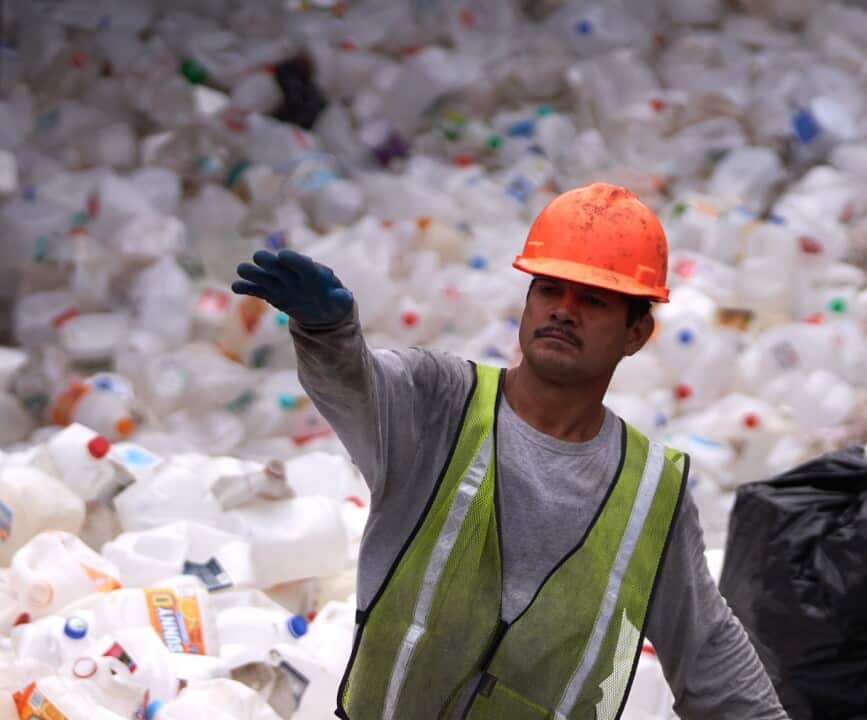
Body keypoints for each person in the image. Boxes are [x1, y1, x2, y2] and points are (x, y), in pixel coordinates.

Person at [232, 183, 789, 720]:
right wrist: (328, 332)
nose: (563, 311)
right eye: (549, 290)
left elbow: (709, 656)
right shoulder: (438, 403)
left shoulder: (651, 493)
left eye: (592, 300)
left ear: (636, 333)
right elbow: (355, 385)